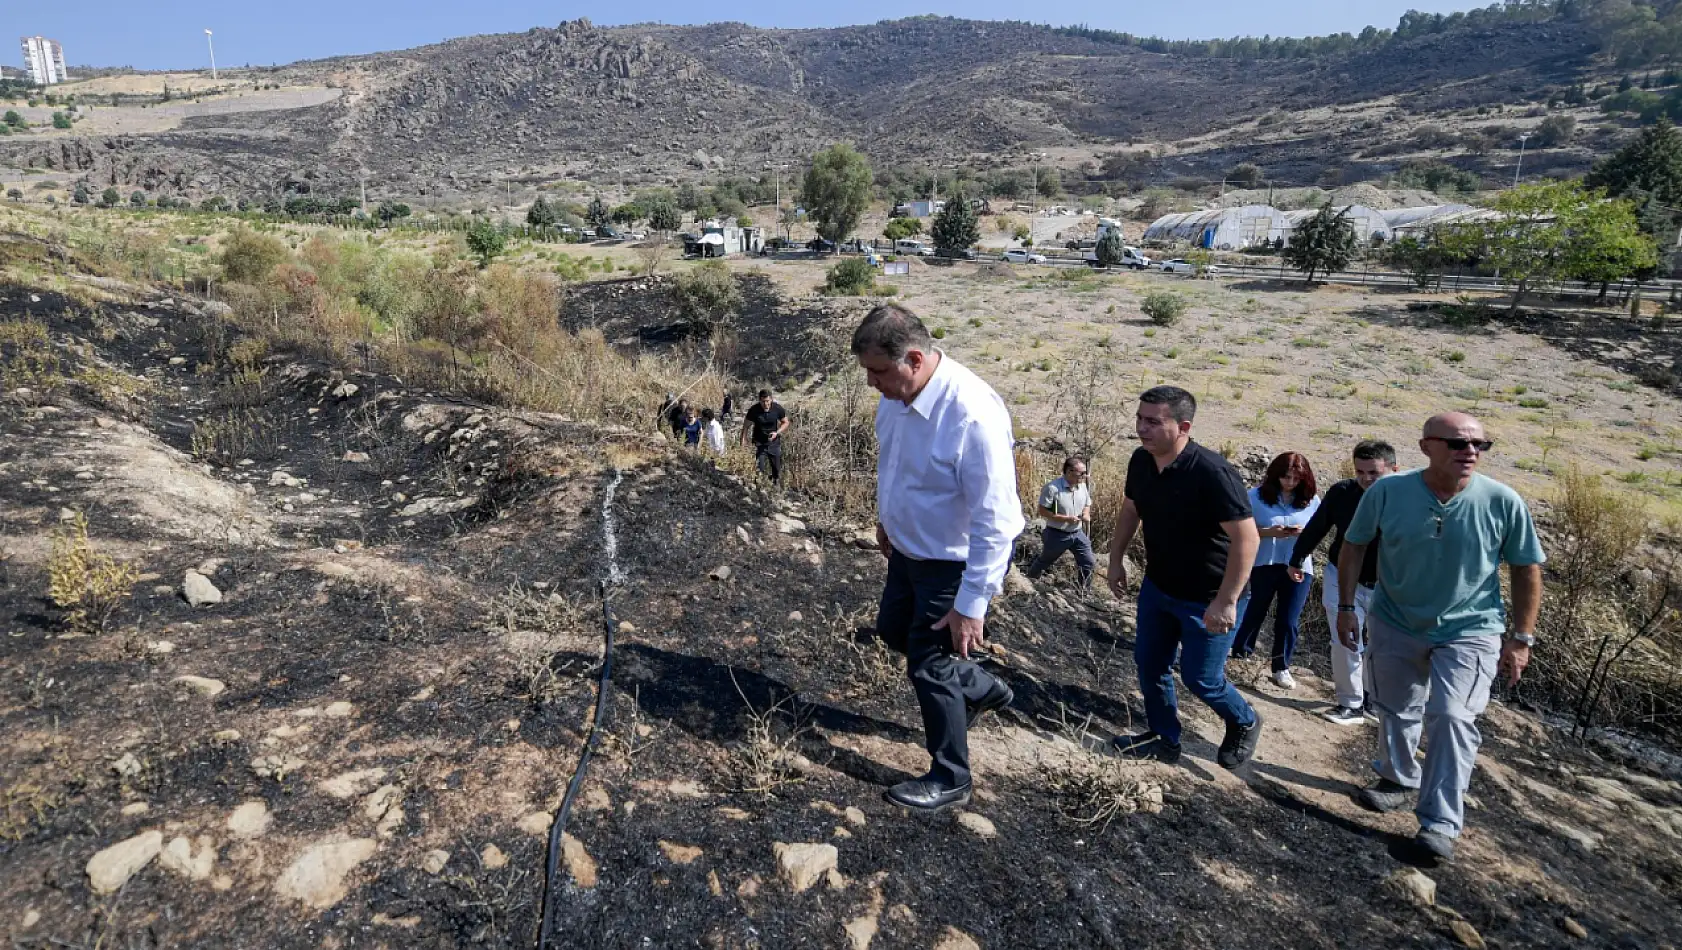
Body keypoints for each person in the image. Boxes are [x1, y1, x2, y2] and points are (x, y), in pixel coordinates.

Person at [1338, 412, 1543, 864]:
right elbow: (1353, 545)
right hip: (1395, 619)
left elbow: (1527, 568)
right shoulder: (1388, 492)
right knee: (1395, 707)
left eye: (1478, 444)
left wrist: (1522, 638)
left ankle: (1440, 823)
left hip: (1472, 629)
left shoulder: (1503, 501)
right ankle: (1396, 778)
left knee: (1452, 717)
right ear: (1426, 446)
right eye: (1456, 443)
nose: (1469, 451)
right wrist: (1347, 607)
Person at [854, 303, 1023, 812]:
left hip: (952, 564)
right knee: (891, 631)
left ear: (913, 358)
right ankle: (981, 687)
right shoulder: (898, 396)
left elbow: (999, 520)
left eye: (878, 372)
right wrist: (888, 518)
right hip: (908, 552)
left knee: (929, 665)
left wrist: (973, 604)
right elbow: (898, 464)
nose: (871, 384)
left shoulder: (971, 414)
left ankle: (951, 777)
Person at [1106, 386, 1263, 769]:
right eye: (1140, 419)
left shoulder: (1212, 473)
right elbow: (1131, 509)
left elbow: (1247, 538)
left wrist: (1226, 601)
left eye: (1153, 422)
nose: (1142, 428)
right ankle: (1164, 738)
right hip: (1159, 587)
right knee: (1150, 663)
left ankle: (1244, 719)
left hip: (1208, 595)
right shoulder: (1141, 461)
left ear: (1183, 426)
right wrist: (1115, 558)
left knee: (1201, 678)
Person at [1288, 440, 1398, 726]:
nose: (1365, 478)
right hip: (1342, 575)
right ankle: (1350, 704)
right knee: (1345, 640)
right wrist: (1298, 557)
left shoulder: (1406, 500)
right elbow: (1319, 524)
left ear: (1393, 469)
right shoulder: (1343, 492)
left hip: (1388, 583)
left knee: (1381, 642)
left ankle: (1373, 698)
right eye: (1360, 471)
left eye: (1373, 472)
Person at [1230, 452, 1321, 689]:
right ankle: (1240, 653)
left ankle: (1281, 667)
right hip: (1264, 562)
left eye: (1295, 478)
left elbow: (1319, 531)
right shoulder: (1255, 497)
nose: (1290, 483)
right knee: (1255, 609)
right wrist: (1270, 532)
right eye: (1285, 477)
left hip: (1299, 565)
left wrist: (1303, 533)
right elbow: (1241, 529)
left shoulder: (1313, 501)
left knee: (1289, 618)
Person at [1024, 457, 1096, 588]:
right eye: (1082, 473)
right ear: (1069, 472)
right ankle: (1029, 583)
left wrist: (1086, 514)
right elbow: (1043, 511)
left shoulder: (1082, 487)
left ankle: (1083, 591)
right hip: (1057, 535)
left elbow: (1087, 503)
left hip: (1077, 533)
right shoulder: (1052, 488)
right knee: (1045, 561)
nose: (1086, 476)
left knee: (1088, 562)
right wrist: (1066, 519)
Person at [740, 389, 790, 485]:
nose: (765, 404)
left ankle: (775, 487)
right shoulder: (754, 410)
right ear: (759, 400)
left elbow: (786, 422)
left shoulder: (777, 408)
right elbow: (745, 426)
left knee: (777, 471)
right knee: (760, 470)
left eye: (767, 401)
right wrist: (743, 441)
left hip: (774, 443)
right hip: (760, 443)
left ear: (771, 399)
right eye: (763, 401)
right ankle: (759, 489)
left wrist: (777, 432)